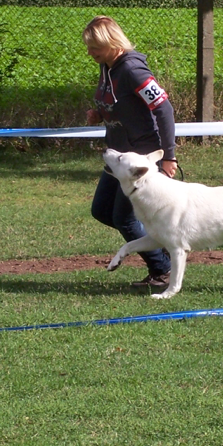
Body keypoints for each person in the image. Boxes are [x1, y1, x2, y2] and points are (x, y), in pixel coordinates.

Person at [83, 15, 178, 289]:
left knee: (123, 219)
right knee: (102, 211)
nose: (90, 53)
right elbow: (121, 103)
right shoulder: (107, 66)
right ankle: (162, 247)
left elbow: (164, 110)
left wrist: (169, 156)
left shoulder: (133, 71)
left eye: (94, 48)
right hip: (117, 157)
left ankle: (162, 270)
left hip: (140, 158)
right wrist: (99, 113)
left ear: (112, 43)